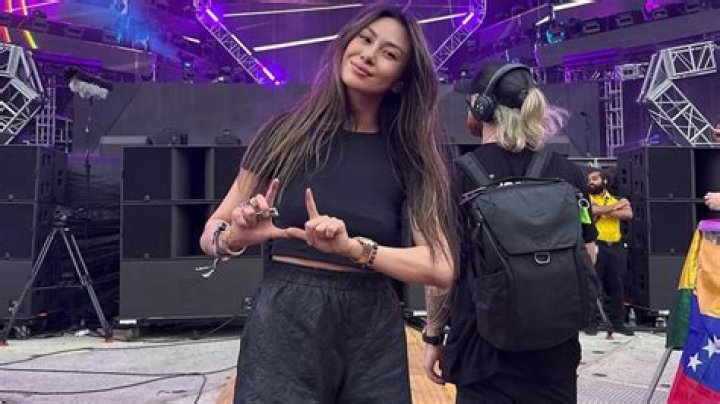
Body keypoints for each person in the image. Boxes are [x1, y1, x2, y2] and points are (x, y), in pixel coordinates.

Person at [199, 6, 456, 403]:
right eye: (365, 39)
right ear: (346, 42)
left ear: (401, 80)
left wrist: (353, 249)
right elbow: (211, 234)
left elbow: (439, 266)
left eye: (389, 53)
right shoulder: (284, 133)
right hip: (284, 320)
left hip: (371, 328)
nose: (368, 55)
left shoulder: (409, 153)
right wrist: (235, 236)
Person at [422, 60, 598, 404]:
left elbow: (442, 272)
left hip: (482, 354)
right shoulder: (569, 174)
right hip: (554, 355)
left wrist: (433, 337)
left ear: (481, 106)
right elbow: (588, 253)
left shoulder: (456, 177)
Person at [585, 169, 634, 336]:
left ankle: (618, 322)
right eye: (589, 180)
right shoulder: (588, 199)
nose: (591, 182)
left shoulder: (616, 198)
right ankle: (592, 322)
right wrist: (614, 208)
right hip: (596, 244)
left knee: (617, 285)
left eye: (594, 179)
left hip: (615, 246)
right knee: (594, 284)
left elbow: (628, 213)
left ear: (604, 181)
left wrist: (604, 209)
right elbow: (592, 211)